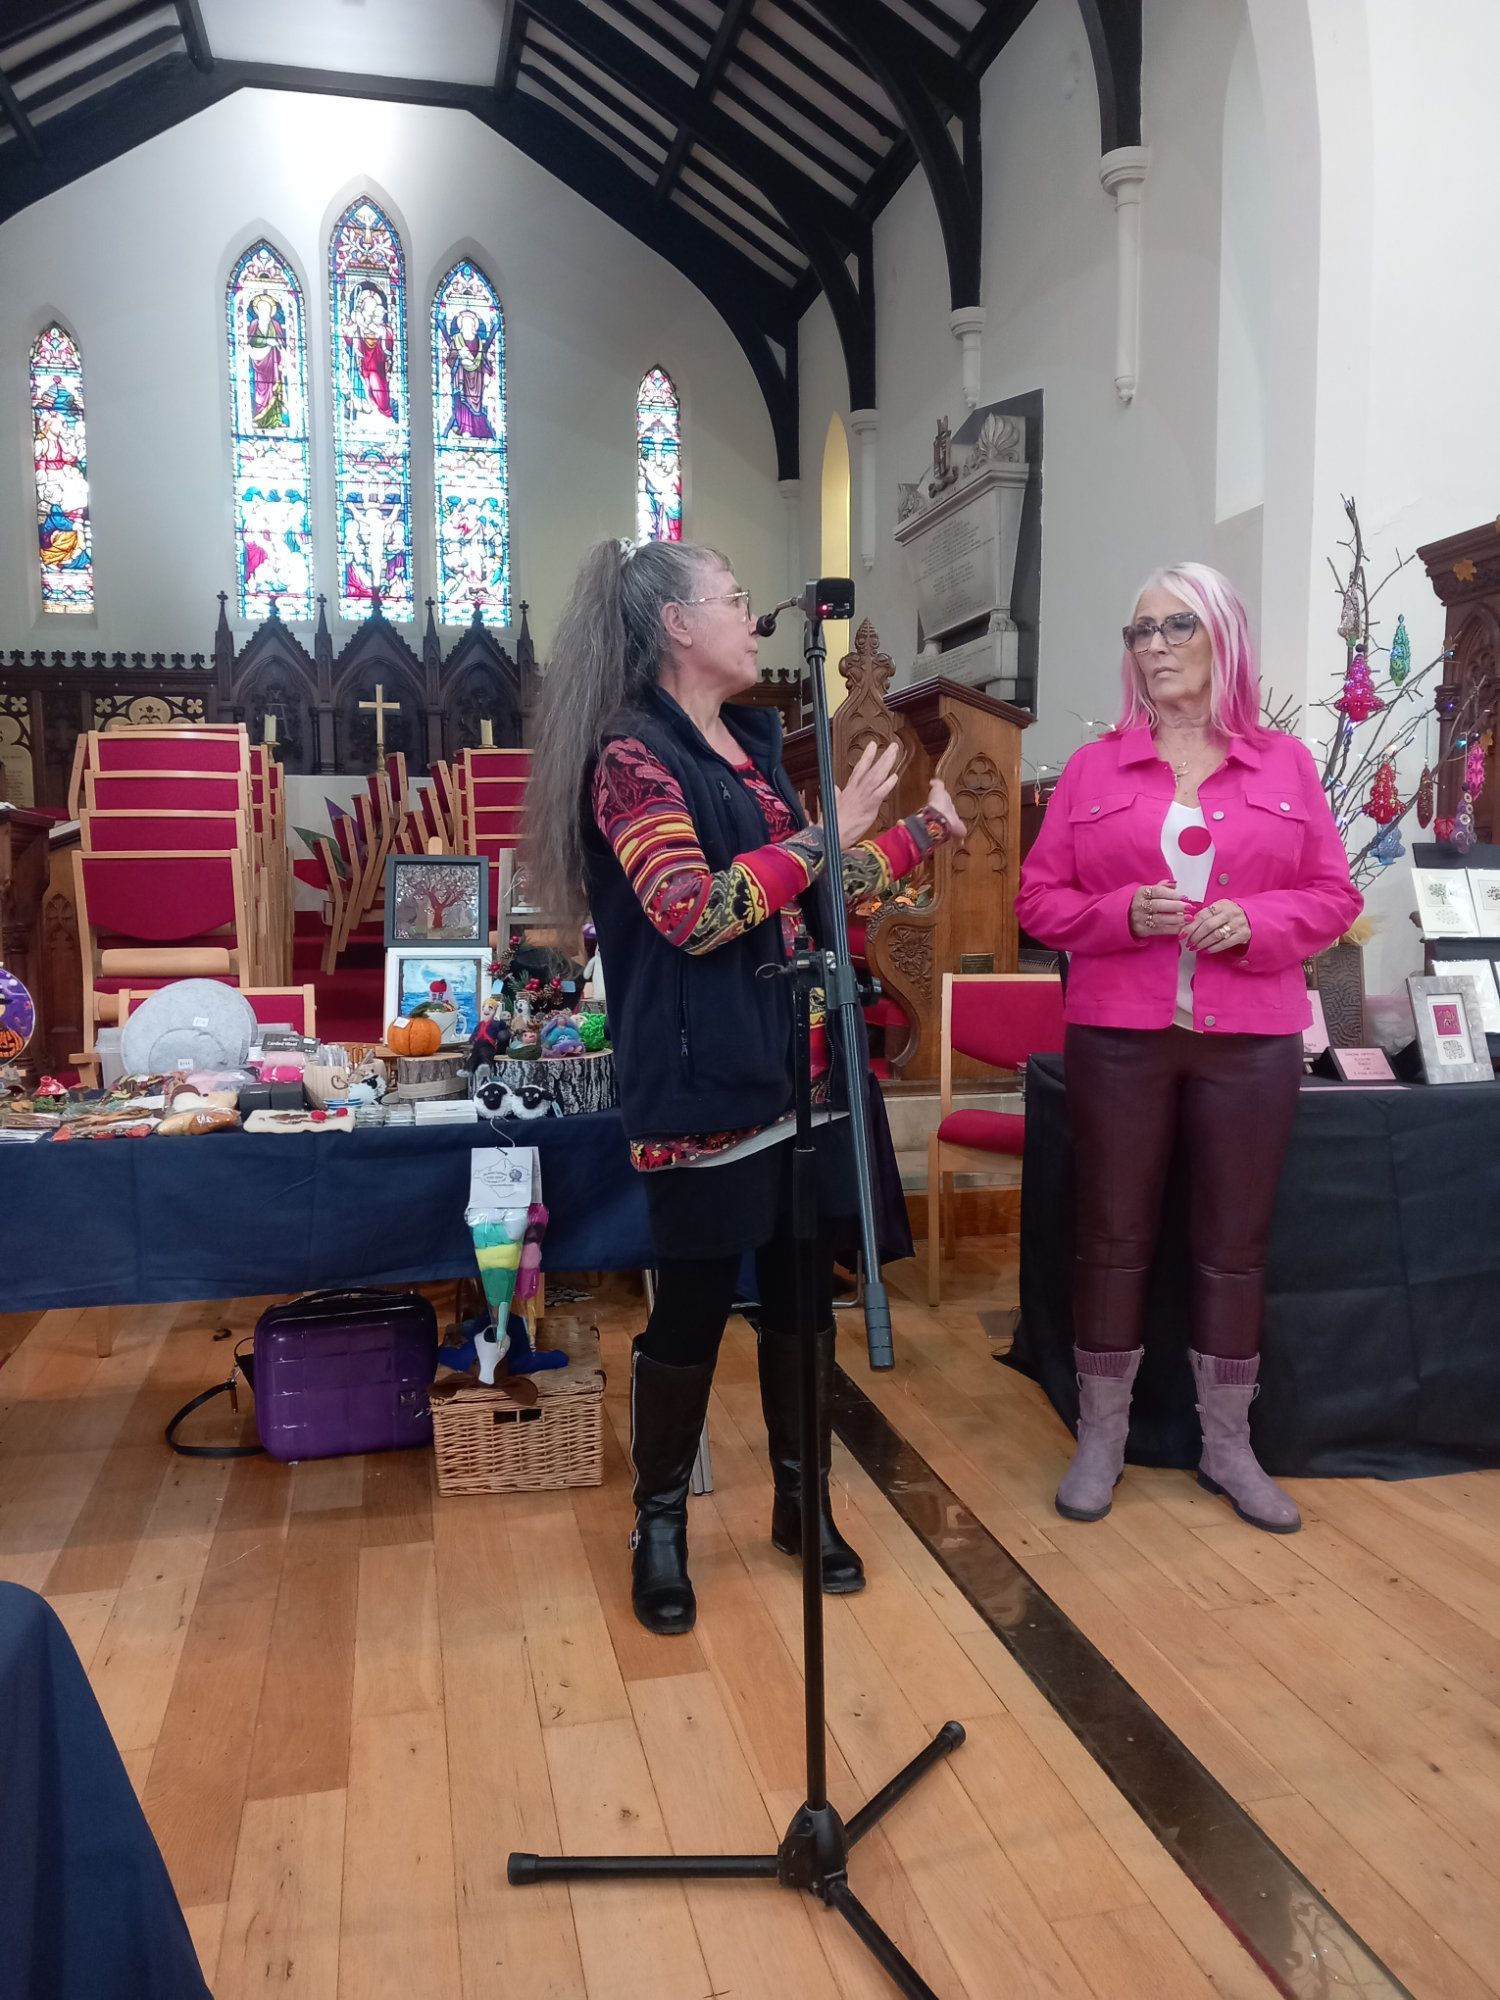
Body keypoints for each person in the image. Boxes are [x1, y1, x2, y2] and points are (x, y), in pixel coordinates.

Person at [526, 538, 965, 1633]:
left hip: (801, 1076)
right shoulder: (633, 757)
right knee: (689, 1313)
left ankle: (803, 1506)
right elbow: (695, 908)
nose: (753, 620)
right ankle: (661, 1522)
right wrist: (827, 832)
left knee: (803, 1305)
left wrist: (913, 835)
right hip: (705, 1084)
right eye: (733, 600)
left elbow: (804, 894)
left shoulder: (751, 747)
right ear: (677, 624)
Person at [1015, 563, 1361, 1534]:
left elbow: (1334, 895)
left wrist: (1253, 920)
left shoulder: (1285, 764)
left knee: (1232, 1249)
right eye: (1139, 632)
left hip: (1249, 1039)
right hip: (1119, 1036)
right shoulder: (1092, 769)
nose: (1155, 645)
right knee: (1113, 1238)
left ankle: (1228, 1443)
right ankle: (1102, 1434)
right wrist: (1119, 911)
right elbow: (1038, 899)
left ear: (1221, 635)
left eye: (1175, 625)